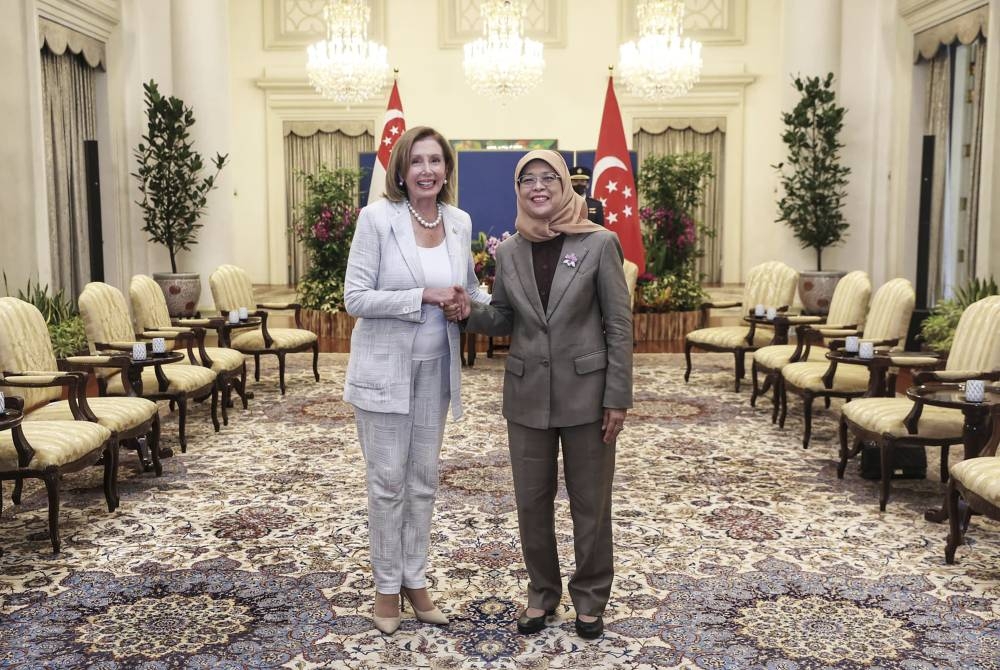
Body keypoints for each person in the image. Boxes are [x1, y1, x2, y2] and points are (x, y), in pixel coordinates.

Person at [456, 150, 633, 639]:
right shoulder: (509, 250)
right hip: (527, 394)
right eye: (527, 179)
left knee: (590, 503)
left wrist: (617, 396)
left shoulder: (599, 243)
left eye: (547, 177)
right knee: (531, 502)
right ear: (518, 190)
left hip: (588, 394)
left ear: (564, 185)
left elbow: (618, 325)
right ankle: (541, 595)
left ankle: (591, 599)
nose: (538, 186)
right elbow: (505, 317)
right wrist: (465, 310)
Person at [343, 125, 489, 635]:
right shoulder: (376, 219)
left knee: (423, 483)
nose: (427, 170)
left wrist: (473, 303)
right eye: (417, 161)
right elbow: (355, 297)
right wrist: (422, 296)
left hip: (436, 374)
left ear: (447, 169)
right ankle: (386, 589)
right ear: (401, 172)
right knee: (387, 484)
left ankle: (415, 579)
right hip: (383, 375)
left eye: (436, 161)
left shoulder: (460, 221)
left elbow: (466, 288)